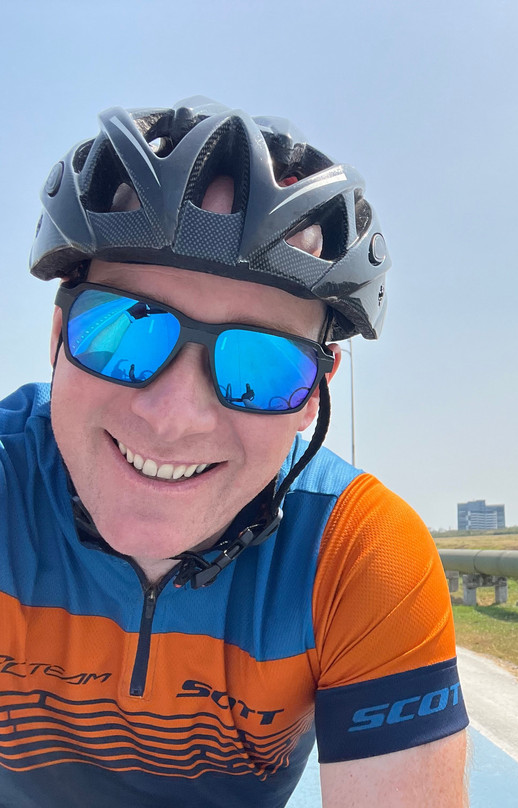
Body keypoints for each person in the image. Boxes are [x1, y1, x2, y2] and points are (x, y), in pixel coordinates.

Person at [0, 98, 468, 807]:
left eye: (261, 367)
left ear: (313, 394)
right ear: (59, 334)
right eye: (126, 332)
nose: (175, 418)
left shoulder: (359, 557)